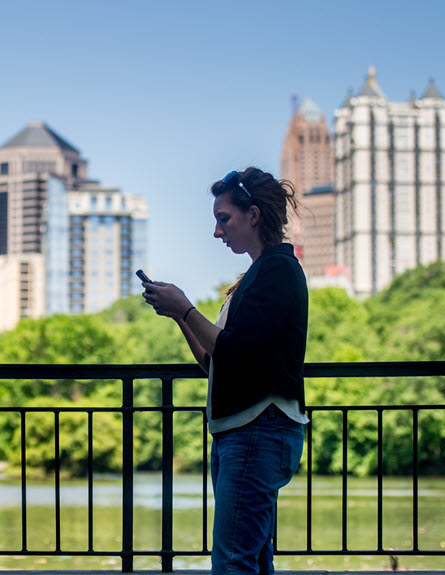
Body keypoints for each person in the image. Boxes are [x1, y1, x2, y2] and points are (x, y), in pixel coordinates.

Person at [140, 167, 308, 575]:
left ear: (253, 215)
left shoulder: (277, 272)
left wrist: (185, 307)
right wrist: (179, 317)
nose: (217, 232)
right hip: (247, 433)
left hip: (257, 433)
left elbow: (231, 348)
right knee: (251, 559)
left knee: (234, 561)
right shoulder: (255, 277)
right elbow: (215, 360)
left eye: (223, 218)